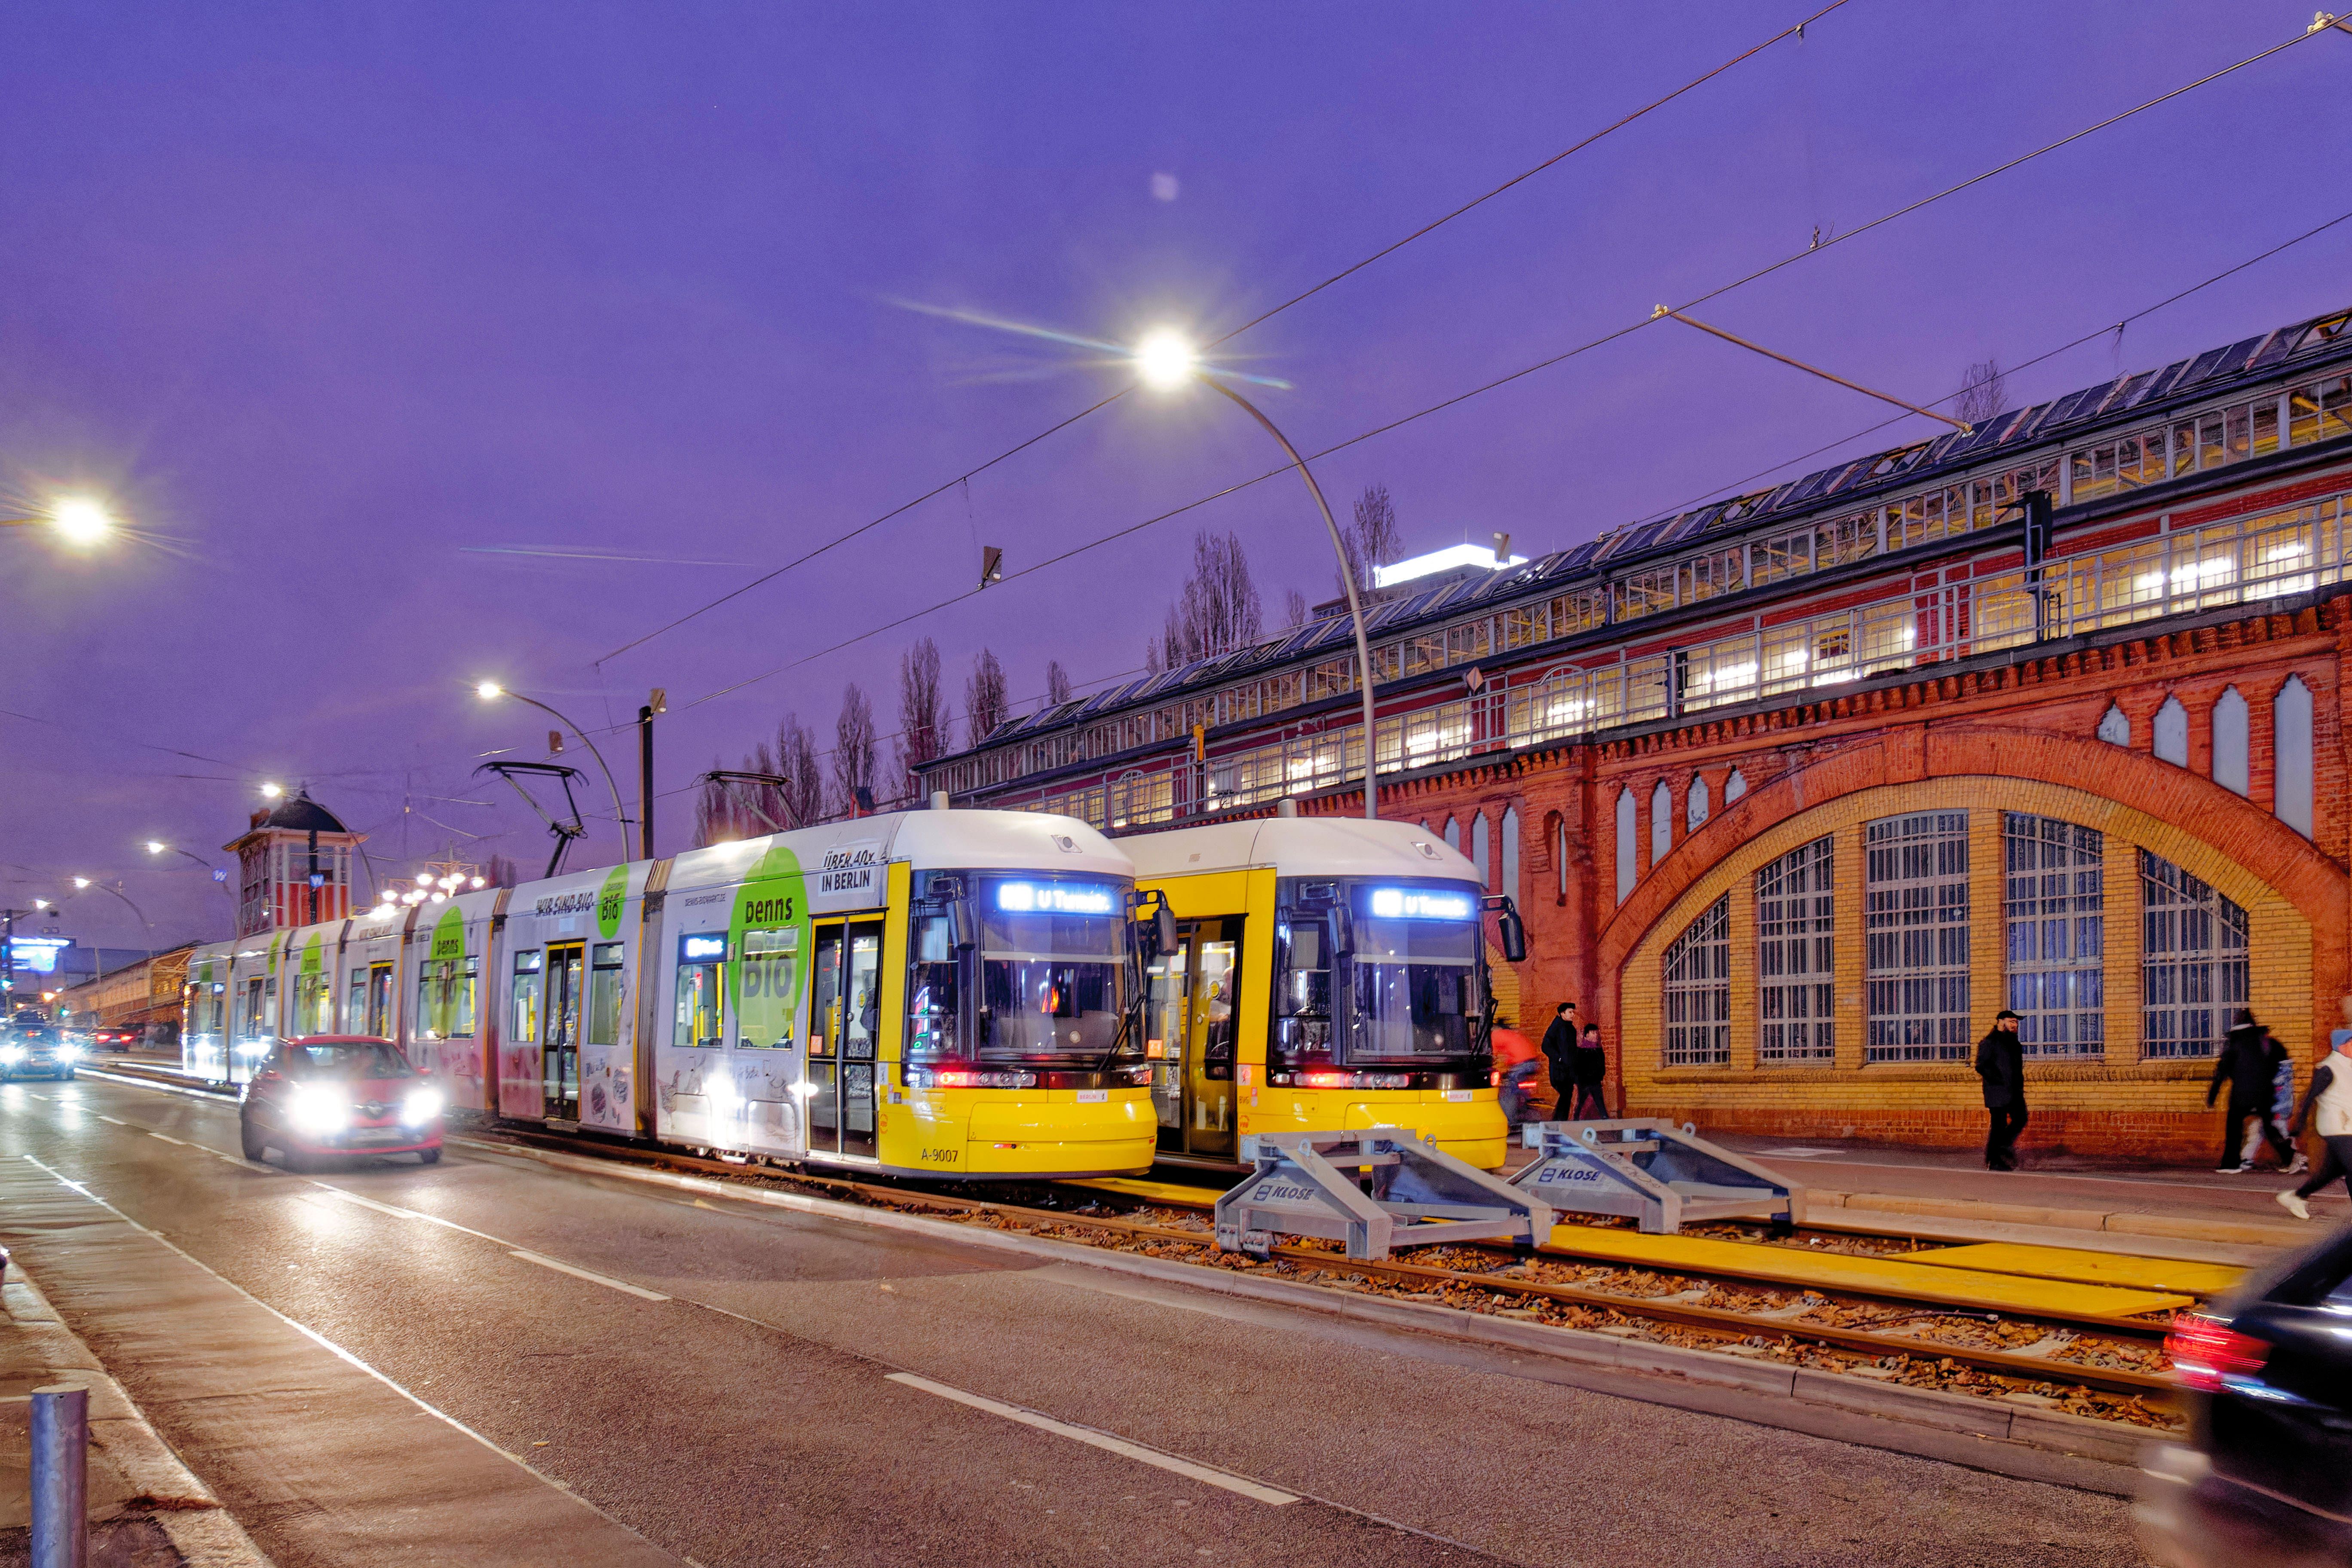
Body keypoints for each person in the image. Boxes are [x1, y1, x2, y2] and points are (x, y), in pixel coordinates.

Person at [2277, 1006, 2352, 1221]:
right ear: (2343, 1046)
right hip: (2336, 1126)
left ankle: (2297, 1197)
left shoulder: (2349, 1067)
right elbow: (2309, 1097)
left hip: (2348, 1127)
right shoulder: (2328, 1068)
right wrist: (2298, 1125)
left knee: (2333, 1171)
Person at [2208, 1010, 2294, 1173]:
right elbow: (2284, 1064)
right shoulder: (2269, 1043)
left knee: (2234, 1129)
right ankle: (2289, 1156)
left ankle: (2231, 1164)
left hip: (2240, 1096)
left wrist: (2213, 1095)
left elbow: (2221, 1072)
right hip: (2265, 1094)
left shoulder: (2234, 1046)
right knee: (2270, 1128)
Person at [1974, 1008, 2027, 1171]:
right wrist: (1999, 1081)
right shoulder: (1990, 1042)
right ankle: (1995, 1161)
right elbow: (1981, 1066)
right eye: (2012, 1022)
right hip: (1997, 1091)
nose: (2015, 1025)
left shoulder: (2014, 1044)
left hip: (2014, 1091)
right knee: (1999, 1125)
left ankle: (2001, 1147)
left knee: (2021, 1118)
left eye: (2016, 1023)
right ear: (2001, 1022)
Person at [1490, 1014, 1541, 1131]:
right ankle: (1525, 1103)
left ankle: (1510, 1122)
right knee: (1518, 1085)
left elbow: (1492, 1056)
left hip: (1522, 1065)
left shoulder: (1496, 1035)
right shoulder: (1512, 1033)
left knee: (1508, 1091)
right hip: (1533, 1063)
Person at [1539, 1001, 1578, 1123]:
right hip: (1559, 1070)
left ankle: (1559, 1121)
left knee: (1567, 1095)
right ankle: (1559, 1121)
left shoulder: (1570, 1028)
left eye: (1573, 1012)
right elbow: (1546, 1046)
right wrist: (1559, 1058)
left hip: (1568, 1070)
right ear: (1562, 1013)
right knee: (1566, 1094)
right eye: (1570, 1012)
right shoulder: (1557, 1026)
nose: (1573, 1015)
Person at [1569, 1022, 1610, 1119]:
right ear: (1587, 1035)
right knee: (1581, 1101)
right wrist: (1578, 1080)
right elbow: (1576, 1067)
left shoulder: (1598, 1050)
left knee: (1599, 1100)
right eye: (1593, 1033)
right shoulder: (1581, 1051)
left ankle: (1605, 1117)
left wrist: (1601, 1076)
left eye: (1596, 1033)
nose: (1596, 1035)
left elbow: (1601, 1065)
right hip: (1584, 1081)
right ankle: (1576, 1116)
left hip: (1595, 1080)